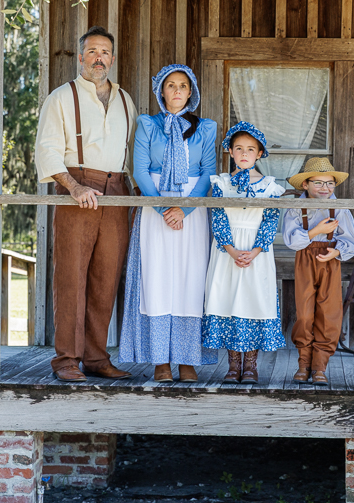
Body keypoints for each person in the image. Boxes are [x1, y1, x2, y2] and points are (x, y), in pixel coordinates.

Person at [35, 26, 139, 382]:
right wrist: (75, 188)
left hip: (117, 191)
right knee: (71, 276)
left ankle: (96, 357)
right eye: (92, 51)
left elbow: (131, 155)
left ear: (111, 58)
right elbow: (47, 150)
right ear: (81, 57)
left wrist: (136, 195)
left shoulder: (126, 100)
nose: (99, 58)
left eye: (105, 52)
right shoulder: (61, 98)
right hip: (77, 188)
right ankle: (66, 359)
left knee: (106, 278)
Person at [119, 64, 218, 382]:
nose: (177, 90)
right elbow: (140, 169)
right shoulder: (147, 124)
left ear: (191, 93)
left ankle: (187, 360)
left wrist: (184, 209)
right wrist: (164, 208)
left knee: (190, 279)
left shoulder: (205, 128)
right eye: (170, 85)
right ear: (161, 91)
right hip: (155, 208)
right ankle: (160, 360)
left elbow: (207, 173)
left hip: (193, 209)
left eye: (183, 86)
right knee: (157, 279)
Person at [202, 122, 287, 384]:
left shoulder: (270, 187)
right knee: (228, 299)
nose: (244, 153)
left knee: (252, 300)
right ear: (230, 151)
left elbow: (271, 221)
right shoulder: (221, 182)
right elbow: (218, 216)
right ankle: (233, 364)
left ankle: (250, 365)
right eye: (238, 148)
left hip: (256, 252)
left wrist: (255, 250)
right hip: (227, 252)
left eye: (251, 149)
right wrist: (230, 249)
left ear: (259, 153)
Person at [282, 157, 354, 386]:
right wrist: (317, 230)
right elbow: (291, 240)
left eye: (330, 183)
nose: (325, 188)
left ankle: (319, 367)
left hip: (330, 260)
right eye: (319, 183)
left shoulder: (339, 209)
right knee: (305, 313)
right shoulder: (297, 208)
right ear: (305, 184)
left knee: (329, 313)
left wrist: (336, 253)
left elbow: (351, 242)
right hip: (305, 258)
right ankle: (304, 363)